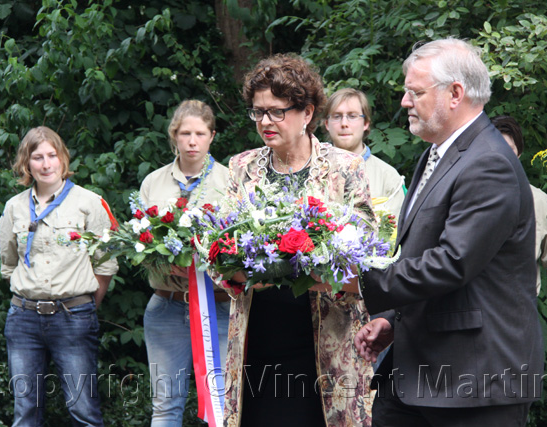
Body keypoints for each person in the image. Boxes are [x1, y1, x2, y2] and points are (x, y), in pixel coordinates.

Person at [354, 38, 544, 426]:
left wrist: (359, 283)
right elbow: (418, 249)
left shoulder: (489, 162)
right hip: (419, 375)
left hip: (473, 383)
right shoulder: (439, 152)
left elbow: (452, 262)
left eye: (415, 92)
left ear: (455, 93)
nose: (405, 102)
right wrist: (391, 317)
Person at [222, 53, 376, 427]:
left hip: (326, 338)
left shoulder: (345, 169)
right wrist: (235, 272)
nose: (265, 122)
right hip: (258, 336)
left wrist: (319, 268)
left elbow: (367, 257)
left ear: (307, 113)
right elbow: (220, 249)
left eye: (277, 111)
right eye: (258, 112)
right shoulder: (242, 167)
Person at [0, 126, 118, 426]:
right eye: (37, 157)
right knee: (26, 412)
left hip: (73, 316)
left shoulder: (89, 203)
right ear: (27, 164)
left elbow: (104, 264)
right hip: (24, 319)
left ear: (63, 159)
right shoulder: (14, 208)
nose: (46, 164)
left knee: (83, 410)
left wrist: (86, 304)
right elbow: (9, 263)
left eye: (52, 155)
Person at [139, 100, 231, 427]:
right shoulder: (153, 183)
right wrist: (167, 264)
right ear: (174, 136)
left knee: (222, 406)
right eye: (185, 133)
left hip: (219, 307)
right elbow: (142, 241)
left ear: (212, 136)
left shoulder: (230, 181)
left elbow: (241, 245)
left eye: (200, 133)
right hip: (167, 304)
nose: (192, 141)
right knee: (165, 405)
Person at [491, 114, 547, 367]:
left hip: (518, 321)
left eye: (510, 151)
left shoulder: (539, 202)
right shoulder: (461, 196)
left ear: (518, 155)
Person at [324, 88, 405, 217]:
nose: (344, 123)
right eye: (337, 116)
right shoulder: (313, 169)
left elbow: (395, 232)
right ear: (327, 124)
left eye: (352, 116)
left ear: (366, 123)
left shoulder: (388, 177)